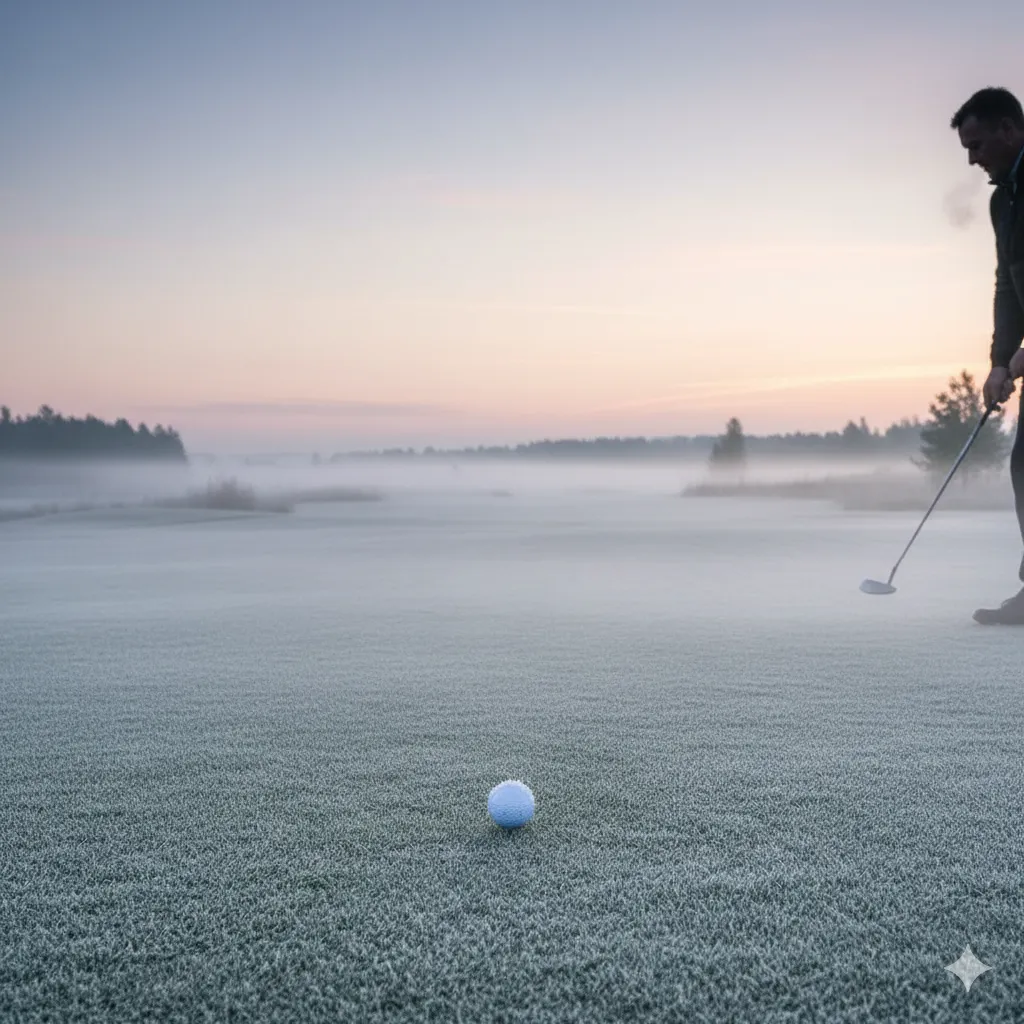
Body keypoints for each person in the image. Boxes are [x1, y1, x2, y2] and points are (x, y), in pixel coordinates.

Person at [950, 87, 1024, 623]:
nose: (972, 159)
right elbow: (1008, 285)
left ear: (1008, 129)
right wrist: (1001, 359)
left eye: (977, 145)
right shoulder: (1004, 199)